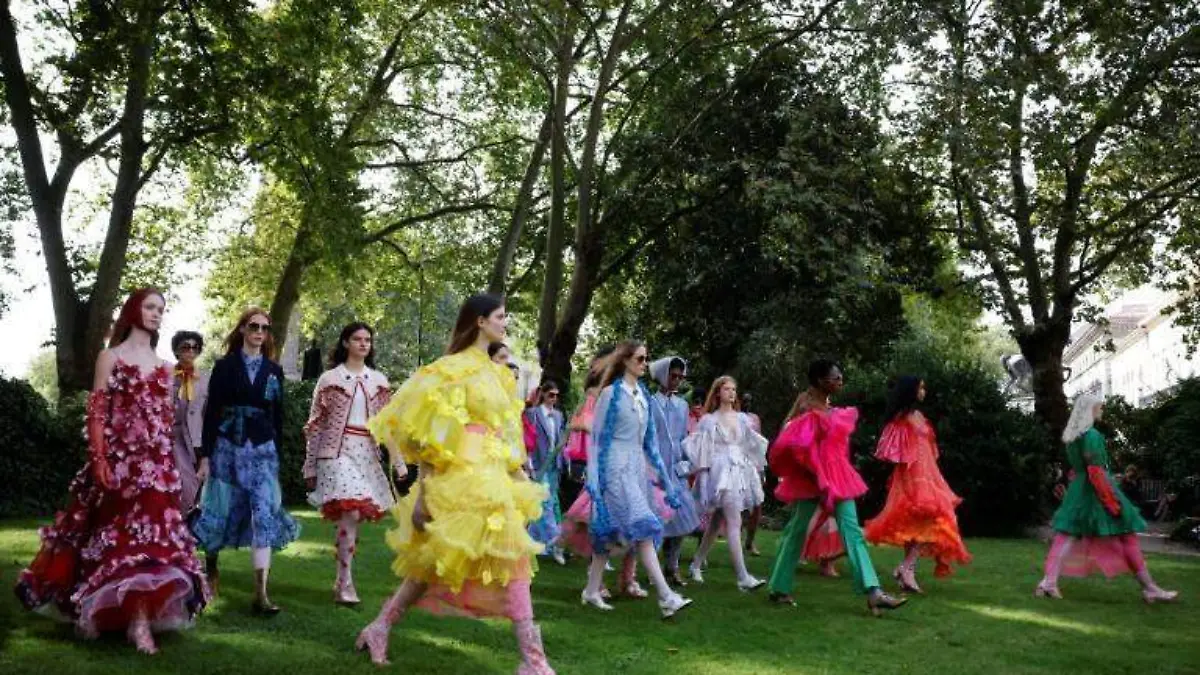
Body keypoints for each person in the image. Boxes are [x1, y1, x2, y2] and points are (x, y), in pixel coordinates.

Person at [356, 294, 554, 673]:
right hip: (459, 477)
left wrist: (520, 476)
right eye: (500, 316)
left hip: (493, 475)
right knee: (440, 563)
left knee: (499, 559)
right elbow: (432, 435)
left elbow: (505, 433)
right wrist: (424, 494)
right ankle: (533, 661)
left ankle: (531, 660)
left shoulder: (498, 372)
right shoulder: (450, 370)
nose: (505, 322)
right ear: (479, 321)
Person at [15, 289, 207, 653]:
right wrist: (100, 459)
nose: (156, 314)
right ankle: (95, 610)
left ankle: (139, 622)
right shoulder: (111, 357)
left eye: (161, 310)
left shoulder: (168, 369)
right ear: (134, 310)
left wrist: (173, 463)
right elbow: (98, 413)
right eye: (150, 307)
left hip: (157, 467)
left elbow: (166, 422)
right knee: (110, 539)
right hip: (119, 464)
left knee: (150, 542)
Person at [765, 360, 906, 616]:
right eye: (835, 377)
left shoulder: (827, 408)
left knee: (851, 532)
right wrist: (819, 477)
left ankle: (874, 592)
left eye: (840, 376)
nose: (841, 380)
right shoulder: (807, 408)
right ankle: (779, 587)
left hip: (837, 477)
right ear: (820, 380)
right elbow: (796, 446)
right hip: (812, 478)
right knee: (797, 531)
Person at [191, 308, 300, 614]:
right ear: (242, 329)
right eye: (254, 326)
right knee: (218, 509)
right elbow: (211, 412)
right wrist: (206, 455)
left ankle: (261, 593)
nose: (259, 332)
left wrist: (275, 451)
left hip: (263, 449)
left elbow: (278, 416)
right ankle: (211, 571)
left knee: (264, 512)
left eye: (264, 328)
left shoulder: (274, 370)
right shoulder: (224, 366)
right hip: (227, 446)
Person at [580, 341, 693, 619]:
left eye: (646, 359)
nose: (645, 364)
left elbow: (651, 444)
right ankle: (667, 597)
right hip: (614, 468)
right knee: (645, 527)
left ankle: (591, 590)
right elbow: (597, 439)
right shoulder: (609, 394)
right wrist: (594, 478)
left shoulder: (643, 395)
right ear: (626, 361)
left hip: (635, 468)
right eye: (641, 359)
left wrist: (666, 483)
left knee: (611, 535)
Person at [1034, 394, 1177, 603]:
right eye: (1099, 407)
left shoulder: (1073, 437)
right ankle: (1150, 588)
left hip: (1081, 490)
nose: (1101, 410)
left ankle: (1048, 582)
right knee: (1126, 536)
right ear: (1090, 410)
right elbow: (1095, 470)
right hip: (1095, 489)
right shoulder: (1091, 435)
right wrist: (1110, 500)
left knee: (1066, 535)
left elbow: (1080, 468)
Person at [303, 322, 400, 606]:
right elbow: (315, 425)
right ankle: (345, 582)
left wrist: (399, 460)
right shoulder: (330, 378)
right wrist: (309, 465)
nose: (363, 343)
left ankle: (341, 579)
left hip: (366, 454)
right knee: (352, 513)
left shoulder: (379, 381)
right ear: (345, 343)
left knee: (354, 516)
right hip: (336, 452)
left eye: (367, 339)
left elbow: (387, 426)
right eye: (357, 339)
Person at [863, 376, 971, 592]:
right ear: (910, 390)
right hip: (912, 477)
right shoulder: (901, 419)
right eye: (920, 387)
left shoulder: (919, 416)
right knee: (931, 519)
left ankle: (907, 571)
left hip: (929, 475)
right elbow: (890, 452)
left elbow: (930, 451)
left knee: (923, 523)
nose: (924, 391)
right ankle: (906, 568)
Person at [686, 376, 768, 591]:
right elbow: (703, 452)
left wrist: (757, 469)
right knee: (734, 523)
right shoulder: (708, 421)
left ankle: (695, 565)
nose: (732, 393)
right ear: (718, 392)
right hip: (720, 472)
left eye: (734, 389)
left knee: (716, 523)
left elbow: (750, 445)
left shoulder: (742, 419)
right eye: (727, 389)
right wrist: (703, 479)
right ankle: (742, 577)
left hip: (739, 470)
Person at [649, 356, 702, 587]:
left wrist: (685, 462)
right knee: (656, 519)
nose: (678, 380)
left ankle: (672, 566)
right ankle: (653, 570)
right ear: (662, 374)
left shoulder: (681, 405)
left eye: (681, 376)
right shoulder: (650, 402)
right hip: (654, 468)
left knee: (681, 516)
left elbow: (682, 437)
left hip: (675, 469)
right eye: (673, 375)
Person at [525, 380, 567, 565]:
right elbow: (527, 440)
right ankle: (555, 540)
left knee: (542, 502)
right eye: (551, 395)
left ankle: (535, 542)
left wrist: (563, 461)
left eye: (557, 395)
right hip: (538, 463)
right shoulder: (532, 414)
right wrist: (529, 465)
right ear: (543, 394)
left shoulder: (558, 416)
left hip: (553, 465)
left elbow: (559, 440)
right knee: (546, 502)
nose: (554, 399)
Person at [170, 330, 208, 513]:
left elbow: (208, 412)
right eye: (186, 347)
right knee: (186, 481)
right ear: (177, 350)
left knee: (197, 479)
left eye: (195, 348)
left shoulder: (204, 379)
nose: (190, 351)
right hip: (173, 436)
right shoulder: (167, 376)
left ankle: (186, 524)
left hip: (196, 438)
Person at [740, 391, 765, 557]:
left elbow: (759, 444)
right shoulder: (733, 416)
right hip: (738, 463)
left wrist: (762, 469)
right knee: (738, 506)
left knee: (757, 505)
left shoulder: (755, 418)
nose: (748, 403)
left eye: (750, 400)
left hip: (754, 464)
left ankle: (750, 541)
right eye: (745, 400)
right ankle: (736, 540)